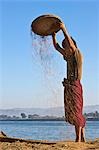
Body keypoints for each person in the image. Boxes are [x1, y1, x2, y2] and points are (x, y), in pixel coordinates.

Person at [52, 23, 86, 142]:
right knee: (73, 111)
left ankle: (78, 139)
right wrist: (53, 35)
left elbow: (71, 46)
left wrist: (63, 29)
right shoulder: (68, 56)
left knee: (77, 112)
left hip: (75, 86)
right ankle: (82, 137)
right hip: (69, 87)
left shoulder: (77, 54)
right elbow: (56, 47)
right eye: (64, 47)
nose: (65, 49)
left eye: (66, 46)